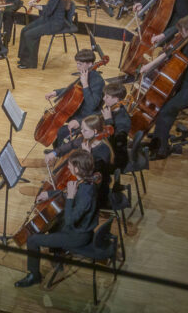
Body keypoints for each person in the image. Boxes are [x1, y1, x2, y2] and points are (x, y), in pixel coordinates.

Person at [15, 149, 98, 287]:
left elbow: (70, 220)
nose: (68, 167)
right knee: (54, 220)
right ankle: (57, 255)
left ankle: (34, 276)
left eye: (70, 165)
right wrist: (49, 194)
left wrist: (70, 197)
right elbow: (66, 192)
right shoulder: (87, 182)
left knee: (32, 240)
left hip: (78, 236)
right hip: (80, 229)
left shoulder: (86, 196)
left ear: (77, 169)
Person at [143, 16, 188, 160]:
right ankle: (158, 140)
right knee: (164, 108)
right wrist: (150, 66)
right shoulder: (184, 40)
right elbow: (168, 53)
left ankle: (161, 150)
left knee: (165, 111)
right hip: (183, 84)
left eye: (181, 31)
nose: (179, 33)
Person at [45, 114, 113, 208]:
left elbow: (93, 175)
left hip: (92, 190)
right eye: (82, 128)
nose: (81, 131)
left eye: (85, 130)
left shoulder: (104, 150)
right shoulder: (87, 139)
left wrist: (88, 155)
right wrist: (54, 153)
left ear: (95, 131)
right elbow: (71, 144)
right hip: (82, 182)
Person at [18, 0, 73, 69]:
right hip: (50, 18)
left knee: (30, 34)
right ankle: (23, 59)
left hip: (56, 22)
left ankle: (30, 63)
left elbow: (48, 10)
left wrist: (36, 6)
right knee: (24, 30)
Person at [48, 49, 106, 148]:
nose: (77, 67)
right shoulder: (85, 73)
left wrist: (85, 84)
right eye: (77, 64)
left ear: (90, 64)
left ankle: (59, 153)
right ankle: (57, 149)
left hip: (88, 116)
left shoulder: (97, 81)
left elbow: (92, 105)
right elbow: (74, 89)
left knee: (60, 131)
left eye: (80, 64)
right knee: (53, 120)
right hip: (78, 110)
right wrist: (56, 92)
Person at [100, 82, 132, 169]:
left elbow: (115, 143)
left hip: (115, 158)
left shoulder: (123, 121)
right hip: (105, 148)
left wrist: (108, 121)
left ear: (116, 99)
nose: (103, 98)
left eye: (107, 97)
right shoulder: (110, 108)